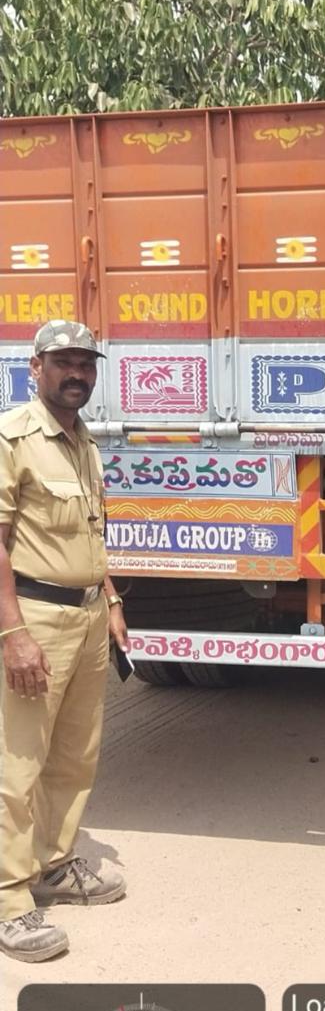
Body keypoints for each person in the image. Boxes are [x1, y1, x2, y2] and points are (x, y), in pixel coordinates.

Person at [0, 320, 129, 961]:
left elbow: (89, 533)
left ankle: (52, 864)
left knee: (74, 756)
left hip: (87, 619)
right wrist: (12, 633)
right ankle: (8, 899)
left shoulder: (84, 442)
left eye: (86, 363)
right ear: (36, 368)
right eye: (63, 362)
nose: (76, 373)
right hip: (36, 620)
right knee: (17, 763)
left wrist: (111, 600)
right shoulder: (12, 438)